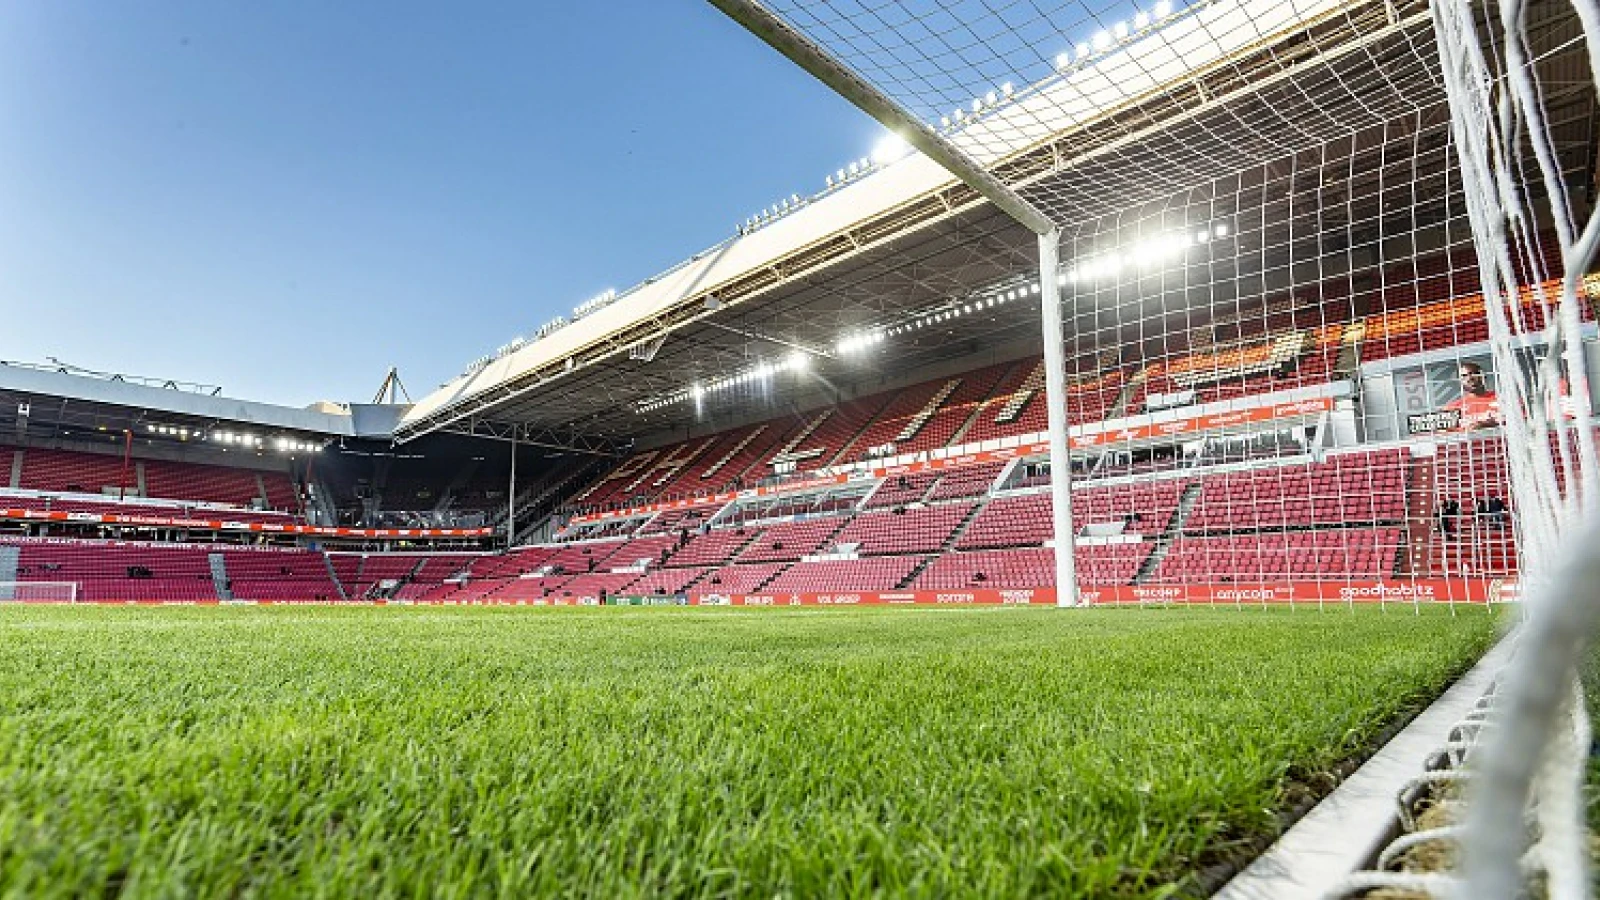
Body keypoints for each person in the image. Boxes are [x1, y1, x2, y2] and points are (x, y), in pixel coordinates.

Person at [1443, 363, 1502, 430]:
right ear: (1460, 381)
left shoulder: (1501, 399)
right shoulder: (1452, 408)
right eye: (1464, 376)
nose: (1469, 378)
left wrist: (1486, 424)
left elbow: (1512, 420)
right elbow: (1444, 434)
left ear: (1483, 376)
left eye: (1474, 374)